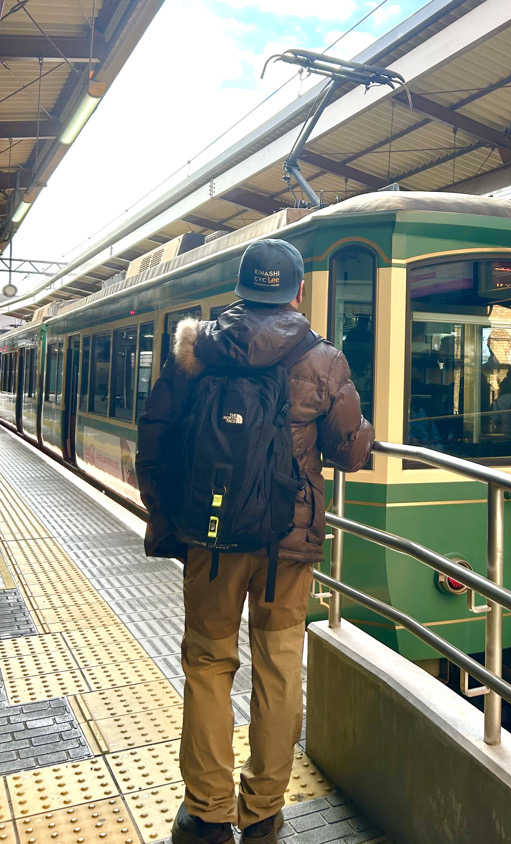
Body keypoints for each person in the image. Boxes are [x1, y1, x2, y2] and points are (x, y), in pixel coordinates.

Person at [135, 238, 374, 844]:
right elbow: (351, 450)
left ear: (239, 290)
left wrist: (168, 517)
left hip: (210, 541)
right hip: (286, 546)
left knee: (209, 667)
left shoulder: (195, 349)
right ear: (297, 292)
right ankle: (263, 810)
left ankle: (208, 813)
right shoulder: (324, 360)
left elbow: (155, 436)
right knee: (278, 668)